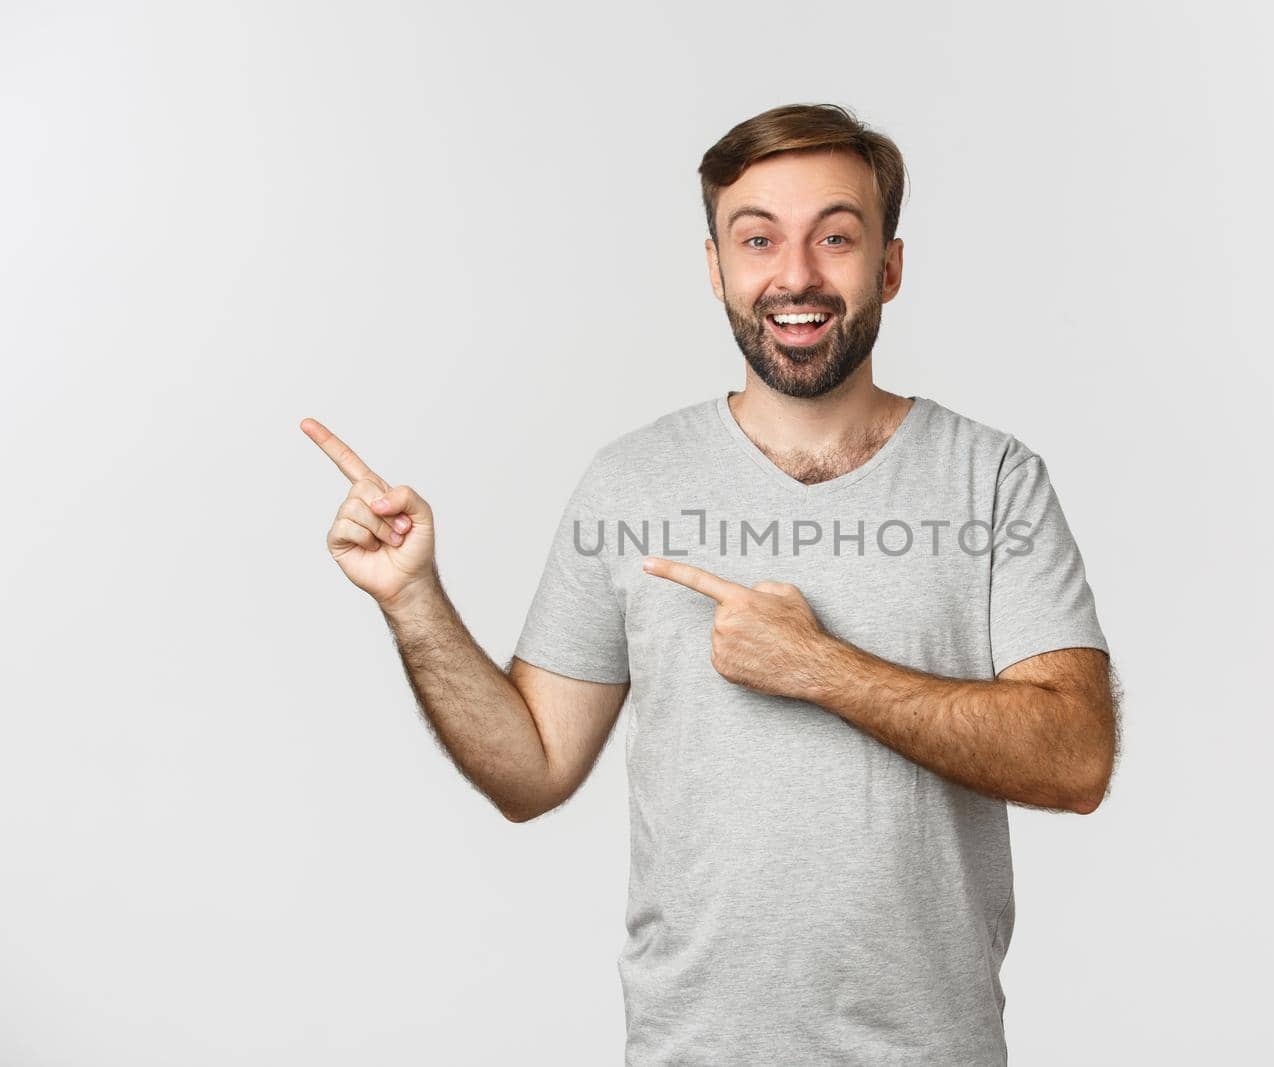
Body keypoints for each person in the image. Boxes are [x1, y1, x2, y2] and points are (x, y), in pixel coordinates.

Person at [302, 102, 1120, 1066]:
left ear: (889, 266)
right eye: (758, 238)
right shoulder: (631, 481)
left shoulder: (992, 478)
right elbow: (531, 768)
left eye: (837, 237)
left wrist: (823, 668)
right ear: (716, 268)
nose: (797, 274)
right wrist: (413, 599)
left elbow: (1075, 758)